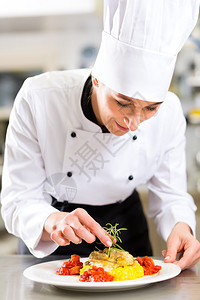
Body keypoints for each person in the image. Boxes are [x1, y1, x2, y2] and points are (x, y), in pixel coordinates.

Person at [1, 0, 200, 270]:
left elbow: (170, 194)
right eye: (122, 103)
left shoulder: (171, 111)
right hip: (53, 234)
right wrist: (51, 221)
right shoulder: (39, 99)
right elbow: (17, 200)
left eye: (150, 108)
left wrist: (181, 226)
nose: (133, 123)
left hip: (126, 230)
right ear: (97, 79)